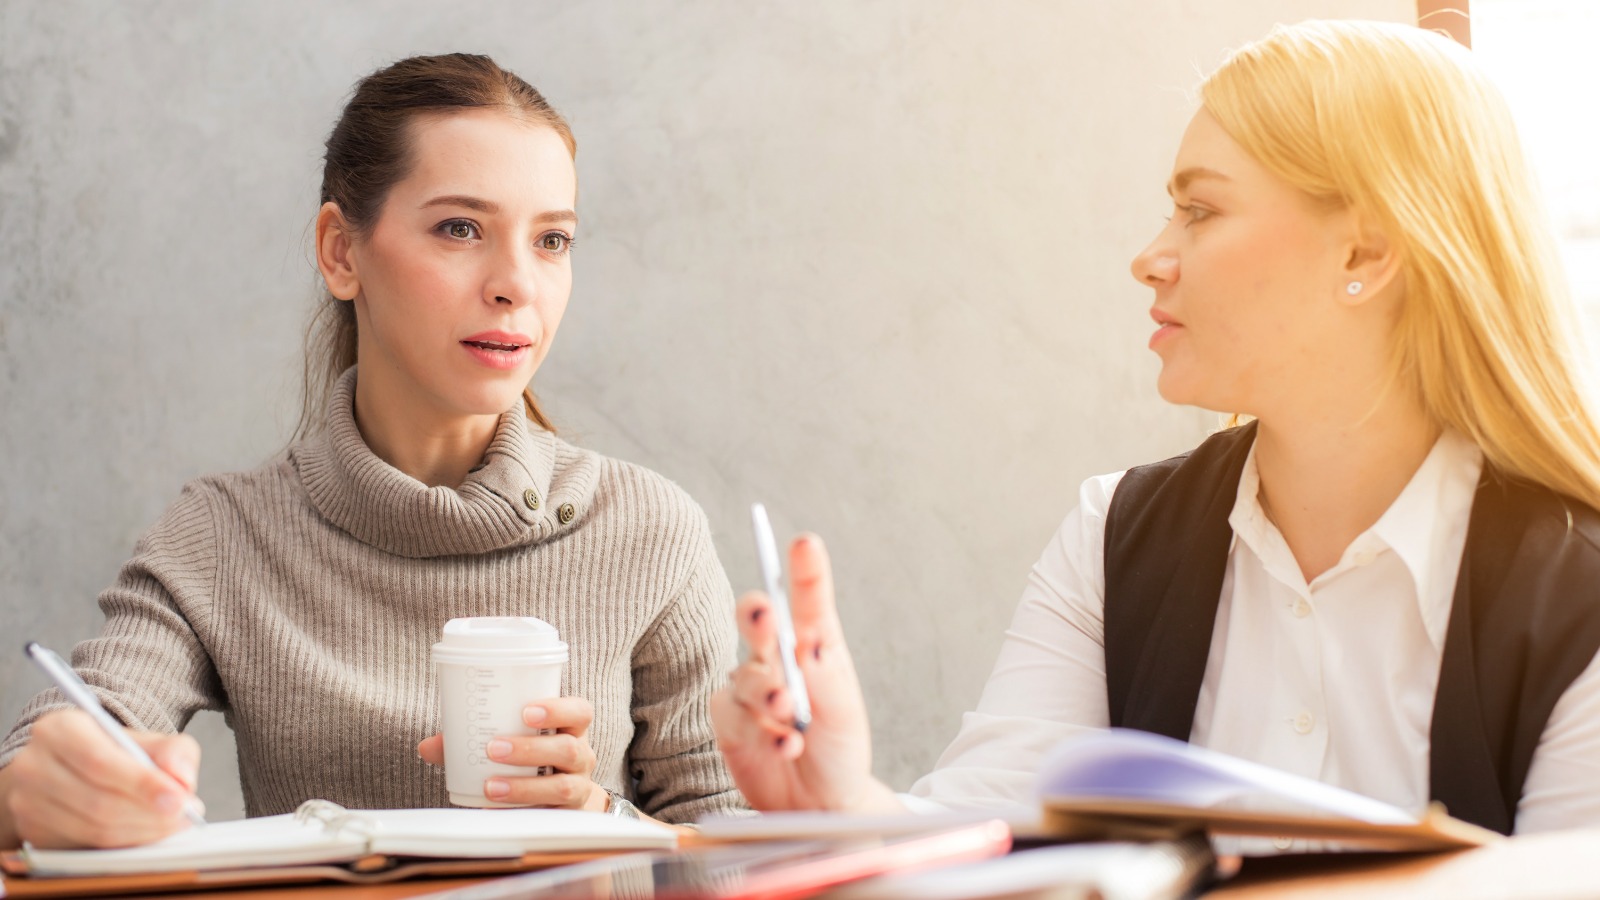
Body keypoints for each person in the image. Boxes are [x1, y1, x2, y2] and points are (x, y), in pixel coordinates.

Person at [712, 19, 1600, 839]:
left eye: (1201, 210)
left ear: (1365, 254)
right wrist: (844, 802)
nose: (1150, 258)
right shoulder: (1114, 536)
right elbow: (991, 844)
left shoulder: (1576, 592)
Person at [0, 53, 743, 850]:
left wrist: (607, 825)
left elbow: (740, 845)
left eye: (552, 239)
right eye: (461, 228)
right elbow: (65, 741)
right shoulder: (223, 536)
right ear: (340, 252)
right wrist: (36, 794)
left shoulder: (651, 531)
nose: (516, 284)